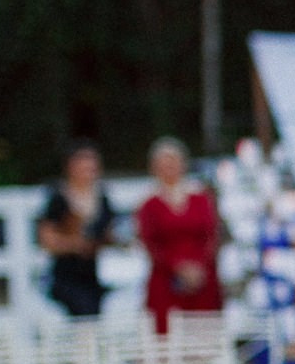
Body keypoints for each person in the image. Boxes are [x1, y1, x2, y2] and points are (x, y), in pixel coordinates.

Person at [135, 136, 222, 333]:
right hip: (166, 279)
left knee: (204, 332)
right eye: (163, 164)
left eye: (173, 162)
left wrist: (198, 267)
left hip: (203, 277)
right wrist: (178, 268)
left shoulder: (201, 198)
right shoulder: (149, 204)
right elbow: (149, 243)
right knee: (167, 335)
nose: (169, 168)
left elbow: (212, 235)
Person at [37, 142, 116, 317]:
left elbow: (109, 231)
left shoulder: (101, 198)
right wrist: (74, 244)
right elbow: (46, 239)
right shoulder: (59, 198)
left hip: (94, 274)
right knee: (82, 309)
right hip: (65, 275)